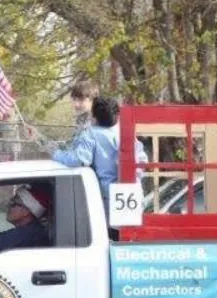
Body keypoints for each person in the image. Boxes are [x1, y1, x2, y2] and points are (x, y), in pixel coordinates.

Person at [50, 96, 148, 224]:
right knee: (128, 235)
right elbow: (142, 160)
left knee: (109, 235)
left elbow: (79, 159)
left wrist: (56, 153)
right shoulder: (125, 132)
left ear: (94, 117)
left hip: (106, 196)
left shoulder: (91, 134)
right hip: (130, 194)